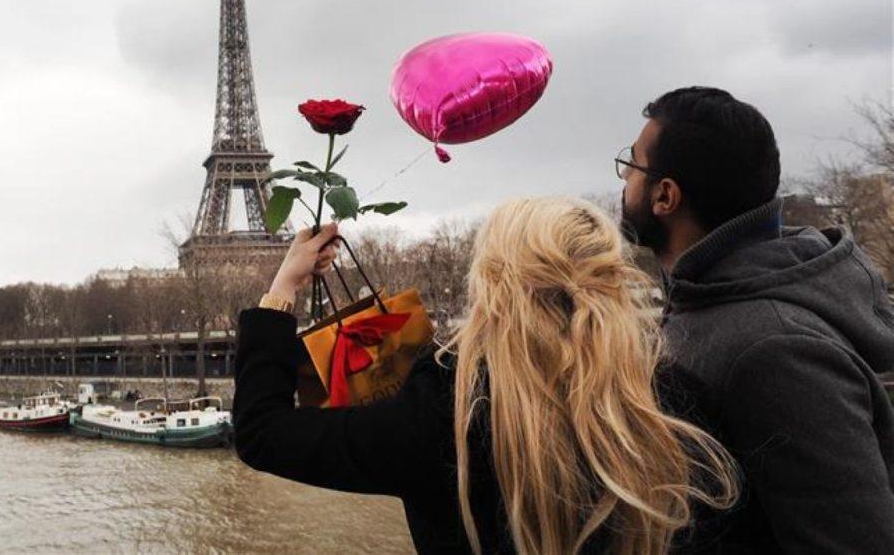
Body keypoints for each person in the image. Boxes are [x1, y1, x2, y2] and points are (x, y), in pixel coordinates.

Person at [234, 200, 737, 555]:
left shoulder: (443, 419)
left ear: (492, 287)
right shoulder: (678, 402)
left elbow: (262, 432)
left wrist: (283, 288)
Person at [617, 86, 894, 553]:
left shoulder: (771, 349)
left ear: (665, 195)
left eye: (633, 166)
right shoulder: (712, 303)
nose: (624, 181)